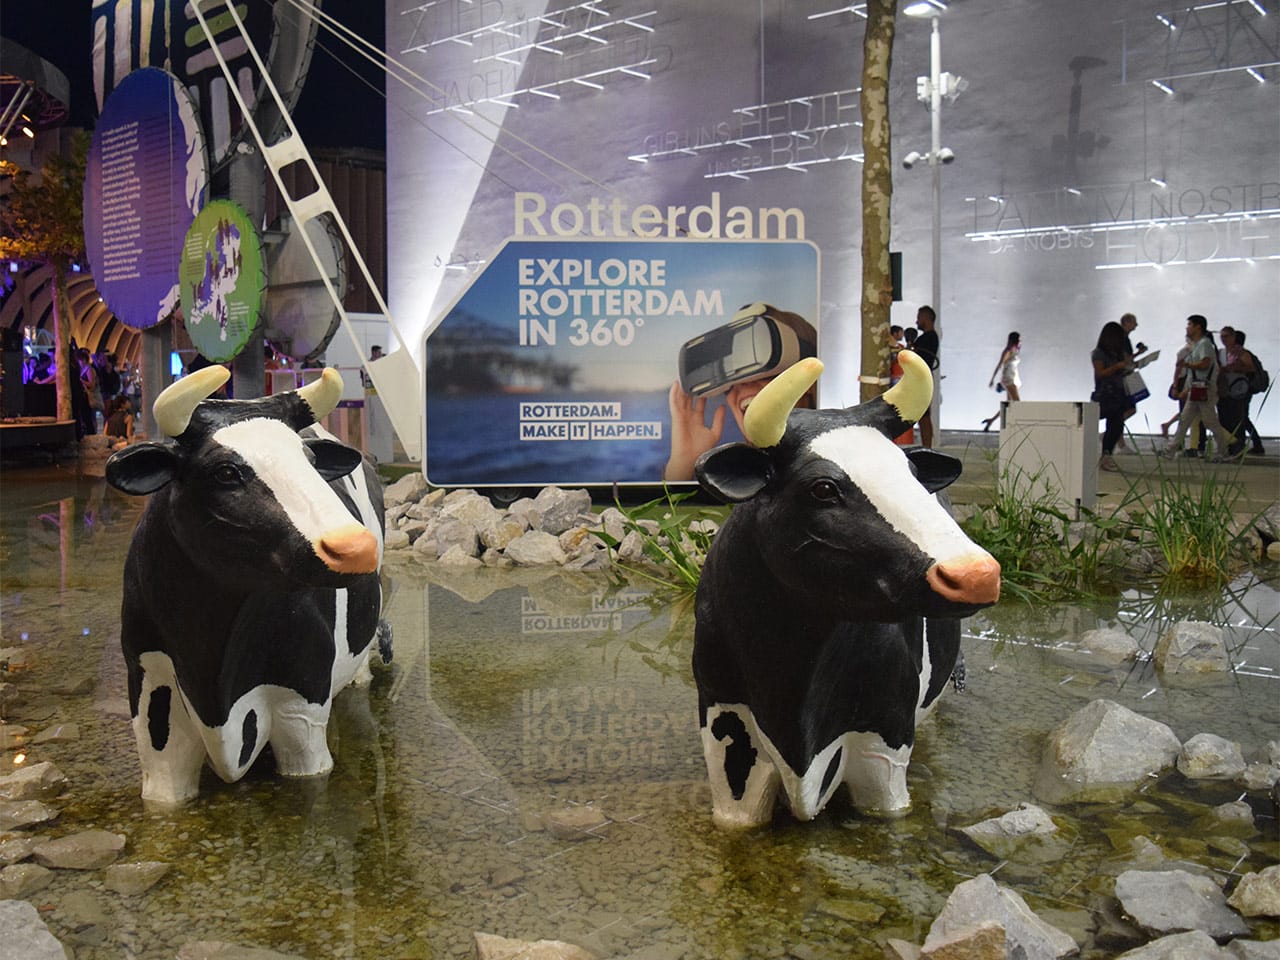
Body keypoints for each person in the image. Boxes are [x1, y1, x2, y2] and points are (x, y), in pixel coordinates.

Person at [664, 304, 817, 481]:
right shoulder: (733, 480)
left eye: (762, 372)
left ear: (809, 382)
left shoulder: (842, 465)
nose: (742, 387)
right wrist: (682, 468)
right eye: (730, 383)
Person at [1164, 314, 1235, 461]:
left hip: (1204, 390)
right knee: (1185, 420)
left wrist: (1187, 365)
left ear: (1198, 327)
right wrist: (1186, 390)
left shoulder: (1204, 344)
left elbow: (1205, 364)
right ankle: (1170, 449)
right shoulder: (1198, 345)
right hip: (1197, 390)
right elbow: (1194, 373)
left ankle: (1223, 451)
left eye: (1190, 324)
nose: (1187, 327)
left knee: (1209, 422)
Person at [1091, 321, 1133, 471]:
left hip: (1118, 393)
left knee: (1116, 426)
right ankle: (1102, 455)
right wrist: (1117, 367)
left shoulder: (1117, 354)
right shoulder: (1099, 353)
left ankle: (1106, 456)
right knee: (1092, 422)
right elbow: (1100, 374)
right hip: (1105, 394)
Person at [1216, 326, 1253, 458]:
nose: (1224, 339)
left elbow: (1250, 368)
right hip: (1223, 388)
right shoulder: (1220, 352)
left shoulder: (1241, 352)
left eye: (1226, 336)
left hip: (1237, 389)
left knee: (1237, 418)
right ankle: (1227, 446)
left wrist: (1236, 367)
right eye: (1222, 337)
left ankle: (1238, 447)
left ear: (1233, 337)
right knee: (1223, 418)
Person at [911, 305, 940, 448]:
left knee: (924, 416)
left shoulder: (930, 338)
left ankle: (928, 447)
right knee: (922, 415)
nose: (916, 322)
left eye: (919, 318)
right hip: (920, 378)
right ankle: (927, 446)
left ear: (926, 318)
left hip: (922, 379)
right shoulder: (927, 338)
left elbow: (918, 357)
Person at [1234, 330, 1266, 456]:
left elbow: (1249, 369)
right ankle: (1256, 444)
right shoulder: (1246, 353)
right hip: (1246, 389)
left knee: (1242, 417)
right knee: (1243, 417)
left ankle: (1255, 444)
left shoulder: (1242, 354)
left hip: (1243, 389)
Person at [982, 331, 1021, 431]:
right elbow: (1000, 365)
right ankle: (1010, 425)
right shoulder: (1008, 351)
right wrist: (992, 379)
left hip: (1013, 377)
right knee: (1017, 402)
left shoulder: (1015, 350)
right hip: (1008, 378)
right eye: (1019, 339)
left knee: (1009, 404)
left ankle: (992, 421)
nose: (1020, 341)